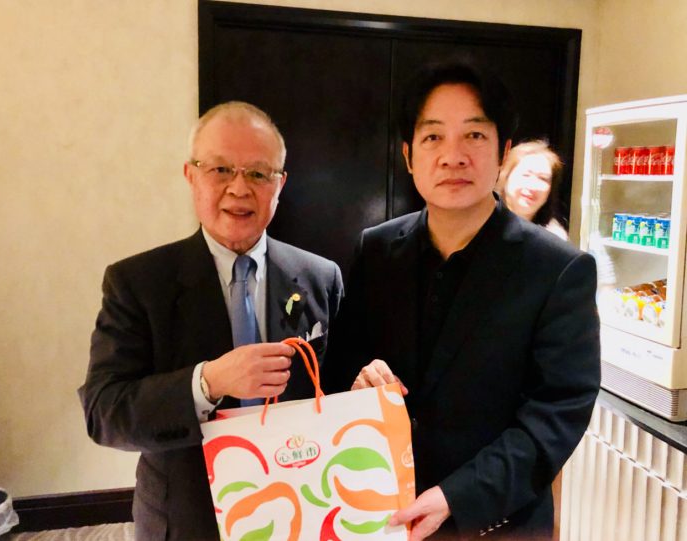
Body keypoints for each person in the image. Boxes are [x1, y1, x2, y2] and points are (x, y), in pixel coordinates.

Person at [323, 57, 600, 540]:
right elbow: (342, 360)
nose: (453, 156)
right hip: (379, 512)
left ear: (503, 151)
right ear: (409, 156)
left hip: (495, 523)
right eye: (433, 136)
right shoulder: (378, 249)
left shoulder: (558, 269)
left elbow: (557, 413)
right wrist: (358, 376)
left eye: (474, 135)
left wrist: (459, 496)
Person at [78, 102, 343, 540]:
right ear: (191, 175)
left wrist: (366, 384)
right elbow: (104, 413)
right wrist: (208, 382)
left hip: (299, 506)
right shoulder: (137, 282)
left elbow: (333, 386)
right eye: (220, 169)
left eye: (258, 173)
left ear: (280, 184)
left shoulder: (321, 277)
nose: (239, 188)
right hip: (187, 517)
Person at [496, 139, 568, 240]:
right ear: (506, 176)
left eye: (543, 178)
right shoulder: (480, 223)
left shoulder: (554, 238)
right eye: (526, 175)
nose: (533, 185)